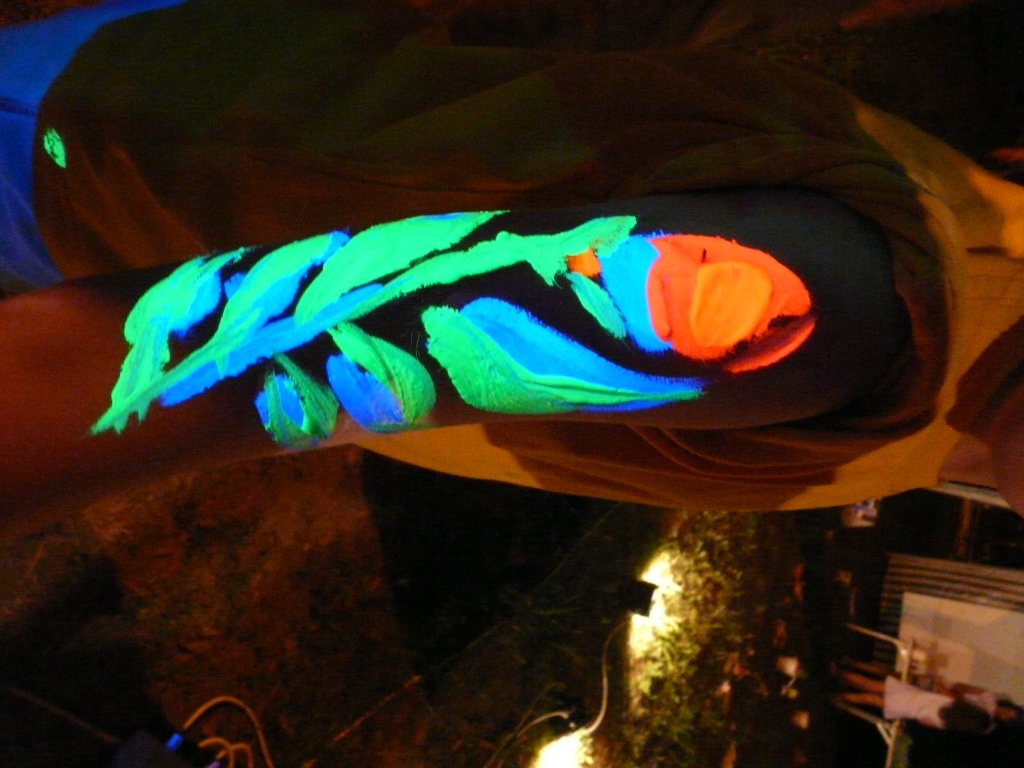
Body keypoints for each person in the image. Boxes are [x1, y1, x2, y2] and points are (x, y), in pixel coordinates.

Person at [1, 0, 1023, 536]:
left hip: (210, 112)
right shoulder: (862, 319)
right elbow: (237, 358)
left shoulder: (959, 413)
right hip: (109, 156)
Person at [838, 668, 1022, 734]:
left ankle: (840, 674)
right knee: (868, 699)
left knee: (871, 686)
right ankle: (837, 696)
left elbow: (948, 689)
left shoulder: (953, 701)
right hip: (908, 710)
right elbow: (924, 723)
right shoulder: (946, 724)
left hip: (913, 694)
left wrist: (940, 684)